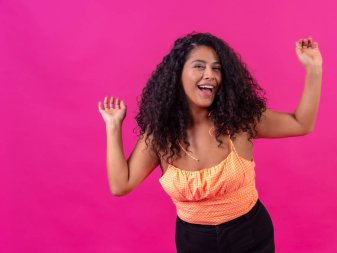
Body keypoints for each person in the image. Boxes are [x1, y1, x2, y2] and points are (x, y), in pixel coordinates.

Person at [98, 32, 323, 253]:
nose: (210, 75)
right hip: (193, 242)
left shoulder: (239, 121)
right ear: (178, 74)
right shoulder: (161, 135)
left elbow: (300, 123)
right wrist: (113, 127)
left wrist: (314, 69)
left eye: (216, 68)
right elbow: (120, 185)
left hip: (251, 236)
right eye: (199, 66)